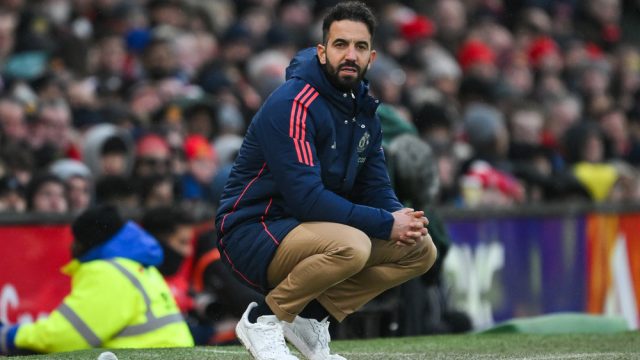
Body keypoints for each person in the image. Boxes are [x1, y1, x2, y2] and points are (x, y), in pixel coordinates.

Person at [215, 2, 437, 359]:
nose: (350, 55)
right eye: (340, 45)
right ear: (322, 51)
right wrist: (385, 223)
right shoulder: (293, 102)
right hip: (253, 229)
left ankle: (310, 317)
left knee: (420, 249)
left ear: (372, 57)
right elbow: (307, 198)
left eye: (360, 47)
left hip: (313, 230)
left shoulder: (364, 111)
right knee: (353, 245)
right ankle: (263, 318)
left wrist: (401, 219)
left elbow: (376, 187)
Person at [0, 205, 194, 355]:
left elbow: (66, 336)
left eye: (75, 240)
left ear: (88, 242)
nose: (72, 246)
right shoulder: (136, 265)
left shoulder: (107, 271)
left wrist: (11, 336)